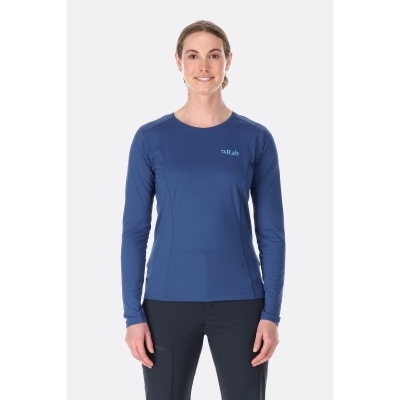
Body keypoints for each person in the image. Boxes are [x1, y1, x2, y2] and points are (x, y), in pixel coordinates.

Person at [121, 20, 286, 400]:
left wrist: (271, 314)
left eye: (214, 55)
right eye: (193, 56)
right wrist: (133, 316)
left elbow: (272, 233)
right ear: (178, 62)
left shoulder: (255, 138)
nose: (204, 66)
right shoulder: (150, 138)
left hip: (242, 303)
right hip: (166, 302)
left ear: (229, 60)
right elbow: (134, 232)